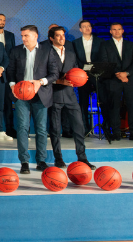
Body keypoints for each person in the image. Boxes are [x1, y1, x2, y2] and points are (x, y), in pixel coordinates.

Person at [7, 25, 59, 174]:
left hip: (40, 94)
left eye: (26, 36)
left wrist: (40, 82)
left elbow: (54, 74)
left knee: (41, 129)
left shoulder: (47, 50)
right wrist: (12, 85)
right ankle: (24, 162)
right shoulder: (16, 51)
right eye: (22, 36)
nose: (23, 38)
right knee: (22, 128)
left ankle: (41, 161)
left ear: (35, 36)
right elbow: (10, 71)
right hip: (21, 95)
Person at [48, 26, 96, 170]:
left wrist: (79, 79)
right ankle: (58, 158)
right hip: (55, 95)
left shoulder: (71, 54)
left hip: (70, 95)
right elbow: (43, 75)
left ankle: (82, 158)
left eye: (63, 35)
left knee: (79, 127)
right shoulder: (46, 53)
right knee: (55, 130)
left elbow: (75, 72)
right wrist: (58, 80)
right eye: (58, 35)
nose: (62, 38)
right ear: (51, 38)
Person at [99, 23, 133, 142]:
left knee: (132, 106)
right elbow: (104, 62)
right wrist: (119, 74)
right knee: (114, 107)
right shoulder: (104, 45)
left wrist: (126, 73)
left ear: (123, 31)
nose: (117, 31)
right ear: (110, 31)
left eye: (119, 29)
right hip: (113, 80)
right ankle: (116, 133)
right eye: (114, 29)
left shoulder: (131, 44)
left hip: (130, 79)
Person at [71, 20, 103, 135]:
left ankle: (106, 127)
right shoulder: (75, 43)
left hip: (97, 74)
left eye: (89, 26)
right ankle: (84, 128)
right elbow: (75, 60)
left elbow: (103, 57)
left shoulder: (100, 41)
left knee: (103, 101)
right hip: (82, 75)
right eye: (84, 26)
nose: (87, 28)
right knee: (83, 103)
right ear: (80, 29)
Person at [0, 13, 17, 138]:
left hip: (7, 72)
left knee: (8, 101)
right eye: (0, 20)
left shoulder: (10, 35)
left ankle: (10, 128)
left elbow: (12, 53)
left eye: (4, 20)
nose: (2, 22)